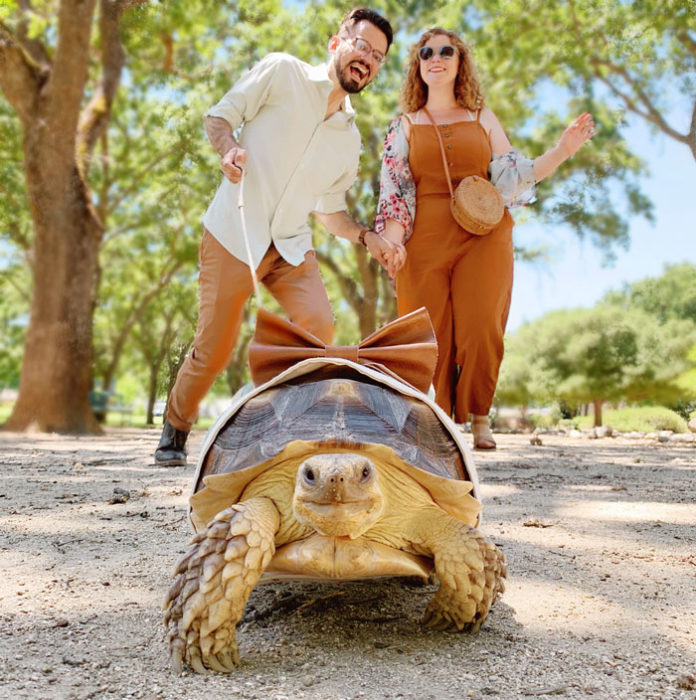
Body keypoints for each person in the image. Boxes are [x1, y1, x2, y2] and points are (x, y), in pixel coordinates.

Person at [155, 8, 406, 466]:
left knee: (319, 326)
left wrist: (368, 238)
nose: (367, 59)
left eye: (378, 57)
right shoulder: (281, 71)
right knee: (213, 350)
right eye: (362, 46)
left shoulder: (348, 142)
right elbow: (219, 117)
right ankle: (176, 425)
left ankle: (277, 427)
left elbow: (331, 214)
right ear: (337, 42)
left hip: (290, 245)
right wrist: (228, 149)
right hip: (235, 231)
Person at [375, 28, 594, 449]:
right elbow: (395, 193)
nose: (435, 58)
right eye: (426, 53)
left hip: (485, 235)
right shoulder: (403, 125)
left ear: (460, 63)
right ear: (417, 66)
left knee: (481, 326)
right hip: (423, 239)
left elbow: (516, 177)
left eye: (445, 51)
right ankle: (435, 418)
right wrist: (392, 242)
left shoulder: (482, 118)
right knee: (426, 332)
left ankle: (479, 417)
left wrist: (563, 150)